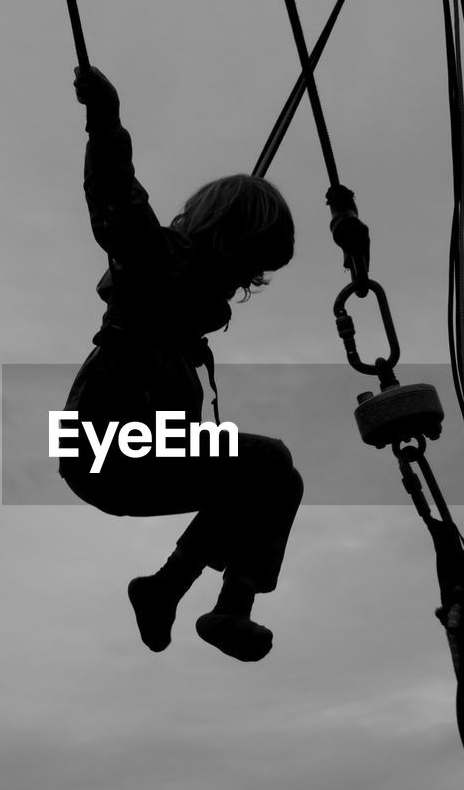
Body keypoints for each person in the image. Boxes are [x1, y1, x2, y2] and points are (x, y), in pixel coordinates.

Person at [59, 66, 304, 662]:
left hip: (127, 443)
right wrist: (106, 120)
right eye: (252, 264)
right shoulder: (156, 262)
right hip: (103, 438)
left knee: (267, 477)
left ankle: (175, 590)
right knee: (265, 462)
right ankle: (213, 600)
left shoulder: (182, 300)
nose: (250, 281)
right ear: (230, 238)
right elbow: (117, 196)